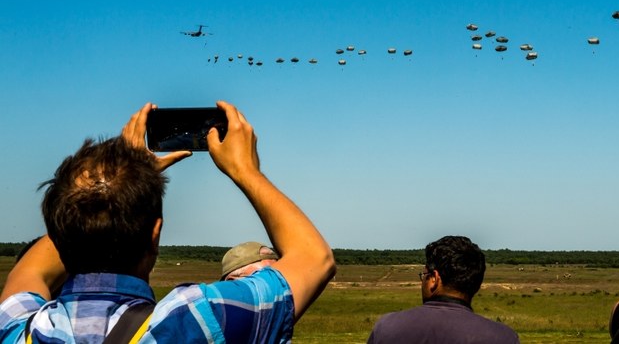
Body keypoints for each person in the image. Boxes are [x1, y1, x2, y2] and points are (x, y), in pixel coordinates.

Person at [0, 101, 336, 343]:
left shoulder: (18, 328)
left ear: (59, 237)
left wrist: (122, 183)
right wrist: (246, 171)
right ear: (155, 234)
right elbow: (314, 259)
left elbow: (30, 271)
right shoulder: (195, 320)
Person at [367, 235, 519, 344]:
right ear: (477, 284)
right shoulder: (503, 337)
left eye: (424, 275)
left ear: (434, 279)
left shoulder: (387, 327)